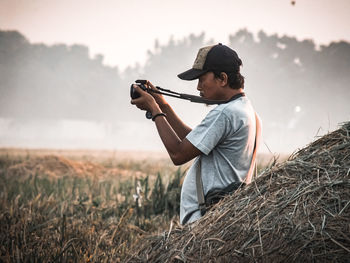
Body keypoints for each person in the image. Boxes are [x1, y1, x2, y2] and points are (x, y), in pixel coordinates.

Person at [131, 43, 260, 225]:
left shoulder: (225, 113)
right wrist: (163, 105)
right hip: (219, 219)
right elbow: (193, 142)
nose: (198, 87)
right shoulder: (246, 110)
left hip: (205, 221)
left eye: (201, 79)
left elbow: (179, 154)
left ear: (222, 79)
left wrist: (154, 110)